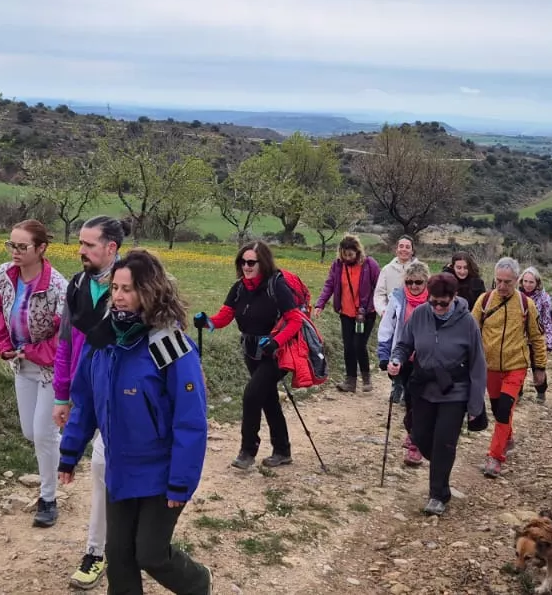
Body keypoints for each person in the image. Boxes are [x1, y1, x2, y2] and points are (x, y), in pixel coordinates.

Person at [58, 249, 212, 595]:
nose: (119, 297)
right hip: (120, 468)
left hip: (161, 472)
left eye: (128, 289)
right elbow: (85, 401)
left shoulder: (169, 345)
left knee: (151, 554)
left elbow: (190, 421)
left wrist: (181, 481)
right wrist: (69, 453)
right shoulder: (103, 341)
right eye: (115, 288)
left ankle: (198, 582)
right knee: (119, 555)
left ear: (150, 291)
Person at [0, 219, 71, 530]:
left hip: (51, 368)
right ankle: (69, 453)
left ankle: (48, 498)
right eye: (12, 245)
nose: (15, 252)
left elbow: (65, 337)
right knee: (30, 432)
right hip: (20, 364)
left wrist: (32, 351)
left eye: (22, 246)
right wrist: (3, 344)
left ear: (42, 248)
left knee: (44, 434)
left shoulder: (59, 287)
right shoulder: (3, 275)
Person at [52, 215, 125, 589]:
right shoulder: (78, 285)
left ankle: (103, 550)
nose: (80, 250)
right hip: (87, 393)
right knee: (102, 470)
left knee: (100, 468)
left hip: (121, 397)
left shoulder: (129, 287)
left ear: (111, 248)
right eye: (80, 243)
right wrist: (63, 395)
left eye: (89, 244)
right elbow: (66, 344)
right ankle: (106, 548)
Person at [195, 242, 305, 470]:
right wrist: (206, 322)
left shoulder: (277, 286)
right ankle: (283, 450)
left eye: (251, 262)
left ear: (262, 263)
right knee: (268, 399)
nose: (246, 266)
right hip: (251, 351)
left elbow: (295, 320)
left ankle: (247, 451)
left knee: (252, 395)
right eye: (242, 262)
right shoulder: (239, 288)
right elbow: (225, 316)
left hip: (276, 353)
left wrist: (276, 341)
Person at [388, 273, 488, 516]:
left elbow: (478, 365)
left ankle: (438, 494)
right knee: (420, 437)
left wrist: (475, 406)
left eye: (443, 302)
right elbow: (404, 344)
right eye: (434, 302)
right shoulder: (421, 314)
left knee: (444, 442)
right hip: (424, 388)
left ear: (454, 298)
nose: (438, 307)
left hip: (455, 392)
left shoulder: (468, 323)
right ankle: (443, 467)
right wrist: (397, 360)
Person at [471, 257, 546, 478]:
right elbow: (470, 332)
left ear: (517, 280)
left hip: (516, 366)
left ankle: (495, 457)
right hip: (490, 366)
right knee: (497, 409)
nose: (502, 286)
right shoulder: (483, 302)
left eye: (508, 282)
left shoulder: (526, 305)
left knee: (504, 409)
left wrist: (539, 367)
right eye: (499, 281)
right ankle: (507, 438)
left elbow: (537, 337)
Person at [376, 260, 433, 466]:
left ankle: (416, 444)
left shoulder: (435, 302)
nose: (414, 286)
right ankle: (413, 435)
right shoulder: (398, 299)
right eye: (409, 282)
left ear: (426, 281)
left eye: (418, 282)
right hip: (405, 357)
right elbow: (387, 326)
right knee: (410, 400)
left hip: (427, 360)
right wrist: (384, 355)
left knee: (421, 401)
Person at [312, 236, 381, 393]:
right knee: (348, 347)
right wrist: (320, 304)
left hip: (365, 314)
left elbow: (379, 287)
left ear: (358, 252)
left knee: (359, 345)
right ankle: (350, 381)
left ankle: (366, 378)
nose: (348, 258)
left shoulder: (370, 264)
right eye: (345, 254)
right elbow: (329, 285)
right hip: (346, 313)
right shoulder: (337, 266)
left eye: (351, 255)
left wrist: (375, 306)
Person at [517, 267, 552, 404]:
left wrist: (549, 342)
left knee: (538, 368)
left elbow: (549, 321)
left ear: (537, 283)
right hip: (518, 338)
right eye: (525, 281)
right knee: (517, 367)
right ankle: (517, 394)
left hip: (537, 339)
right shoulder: (515, 296)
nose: (527, 285)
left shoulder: (544, 299)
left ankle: (541, 392)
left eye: (531, 282)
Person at [373, 237, 422, 315]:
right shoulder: (387, 270)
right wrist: (383, 310)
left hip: (414, 315)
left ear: (412, 251)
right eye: (401, 246)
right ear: (396, 250)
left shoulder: (421, 270)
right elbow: (379, 294)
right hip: (392, 315)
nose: (404, 249)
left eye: (407, 247)